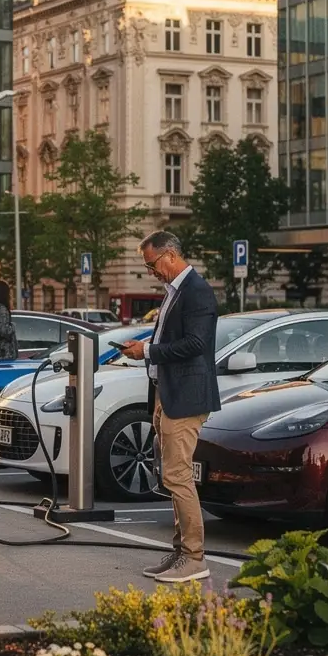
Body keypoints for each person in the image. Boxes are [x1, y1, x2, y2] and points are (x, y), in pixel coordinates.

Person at [119, 231, 220, 584]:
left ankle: (194, 557)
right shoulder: (177, 292)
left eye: (152, 264)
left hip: (186, 397)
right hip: (169, 393)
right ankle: (182, 552)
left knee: (178, 476)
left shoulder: (197, 291)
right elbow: (174, 339)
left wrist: (146, 351)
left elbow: (195, 344)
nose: (151, 272)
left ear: (171, 255)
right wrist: (146, 344)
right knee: (172, 476)